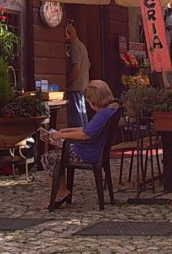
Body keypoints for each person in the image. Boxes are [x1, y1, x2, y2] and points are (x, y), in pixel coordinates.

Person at [42, 79, 119, 209]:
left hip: (87, 153)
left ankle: (60, 193)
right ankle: (62, 190)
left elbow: (85, 135)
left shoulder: (102, 114)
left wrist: (60, 136)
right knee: (58, 154)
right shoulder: (110, 110)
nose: (88, 104)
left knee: (48, 157)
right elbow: (87, 129)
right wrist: (66, 131)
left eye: (89, 101)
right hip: (93, 150)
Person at [65, 22, 90, 127]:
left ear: (69, 34)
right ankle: (85, 138)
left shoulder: (74, 46)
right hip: (83, 85)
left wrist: (66, 82)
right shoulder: (82, 46)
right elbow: (89, 64)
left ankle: (78, 140)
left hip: (75, 86)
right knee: (82, 114)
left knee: (76, 116)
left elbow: (76, 68)